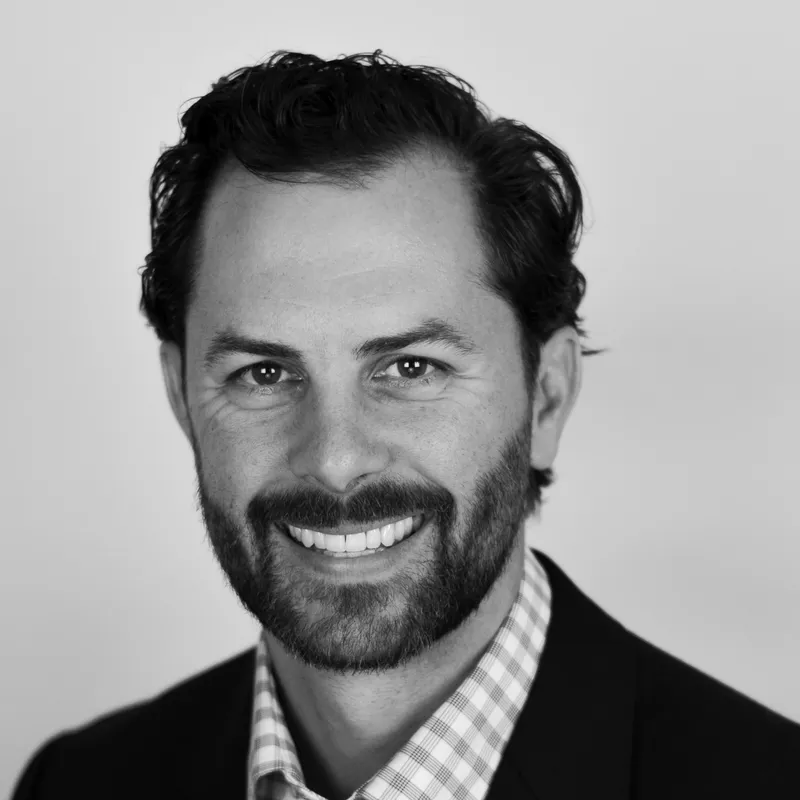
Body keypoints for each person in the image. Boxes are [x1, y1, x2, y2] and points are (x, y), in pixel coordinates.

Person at [12, 49, 800, 800]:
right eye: (264, 373)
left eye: (410, 369)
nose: (335, 459)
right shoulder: (81, 784)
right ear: (184, 400)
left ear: (547, 397)